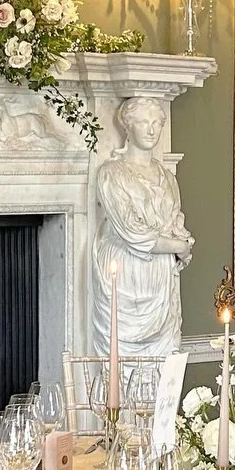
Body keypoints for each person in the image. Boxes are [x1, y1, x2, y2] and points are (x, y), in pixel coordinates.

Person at [91, 95, 194, 357]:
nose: (151, 129)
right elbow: (133, 232)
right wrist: (178, 246)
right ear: (128, 126)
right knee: (120, 370)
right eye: (143, 122)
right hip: (126, 274)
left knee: (162, 370)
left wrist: (182, 244)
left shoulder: (167, 177)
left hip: (160, 281)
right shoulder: (112, 173)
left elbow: (175, 223)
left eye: (157, 123)